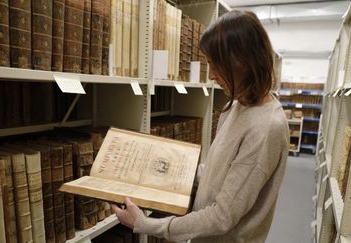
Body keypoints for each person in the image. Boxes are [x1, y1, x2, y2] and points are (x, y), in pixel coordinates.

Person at [112, 10, 290, 243]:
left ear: (243, 63)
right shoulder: (238, 104)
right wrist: (168, 167)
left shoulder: (266, 128)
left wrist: (144, 224)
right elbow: (218, 174)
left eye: (218, 65)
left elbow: (222, 216)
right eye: (209, 64)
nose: (212, 75)